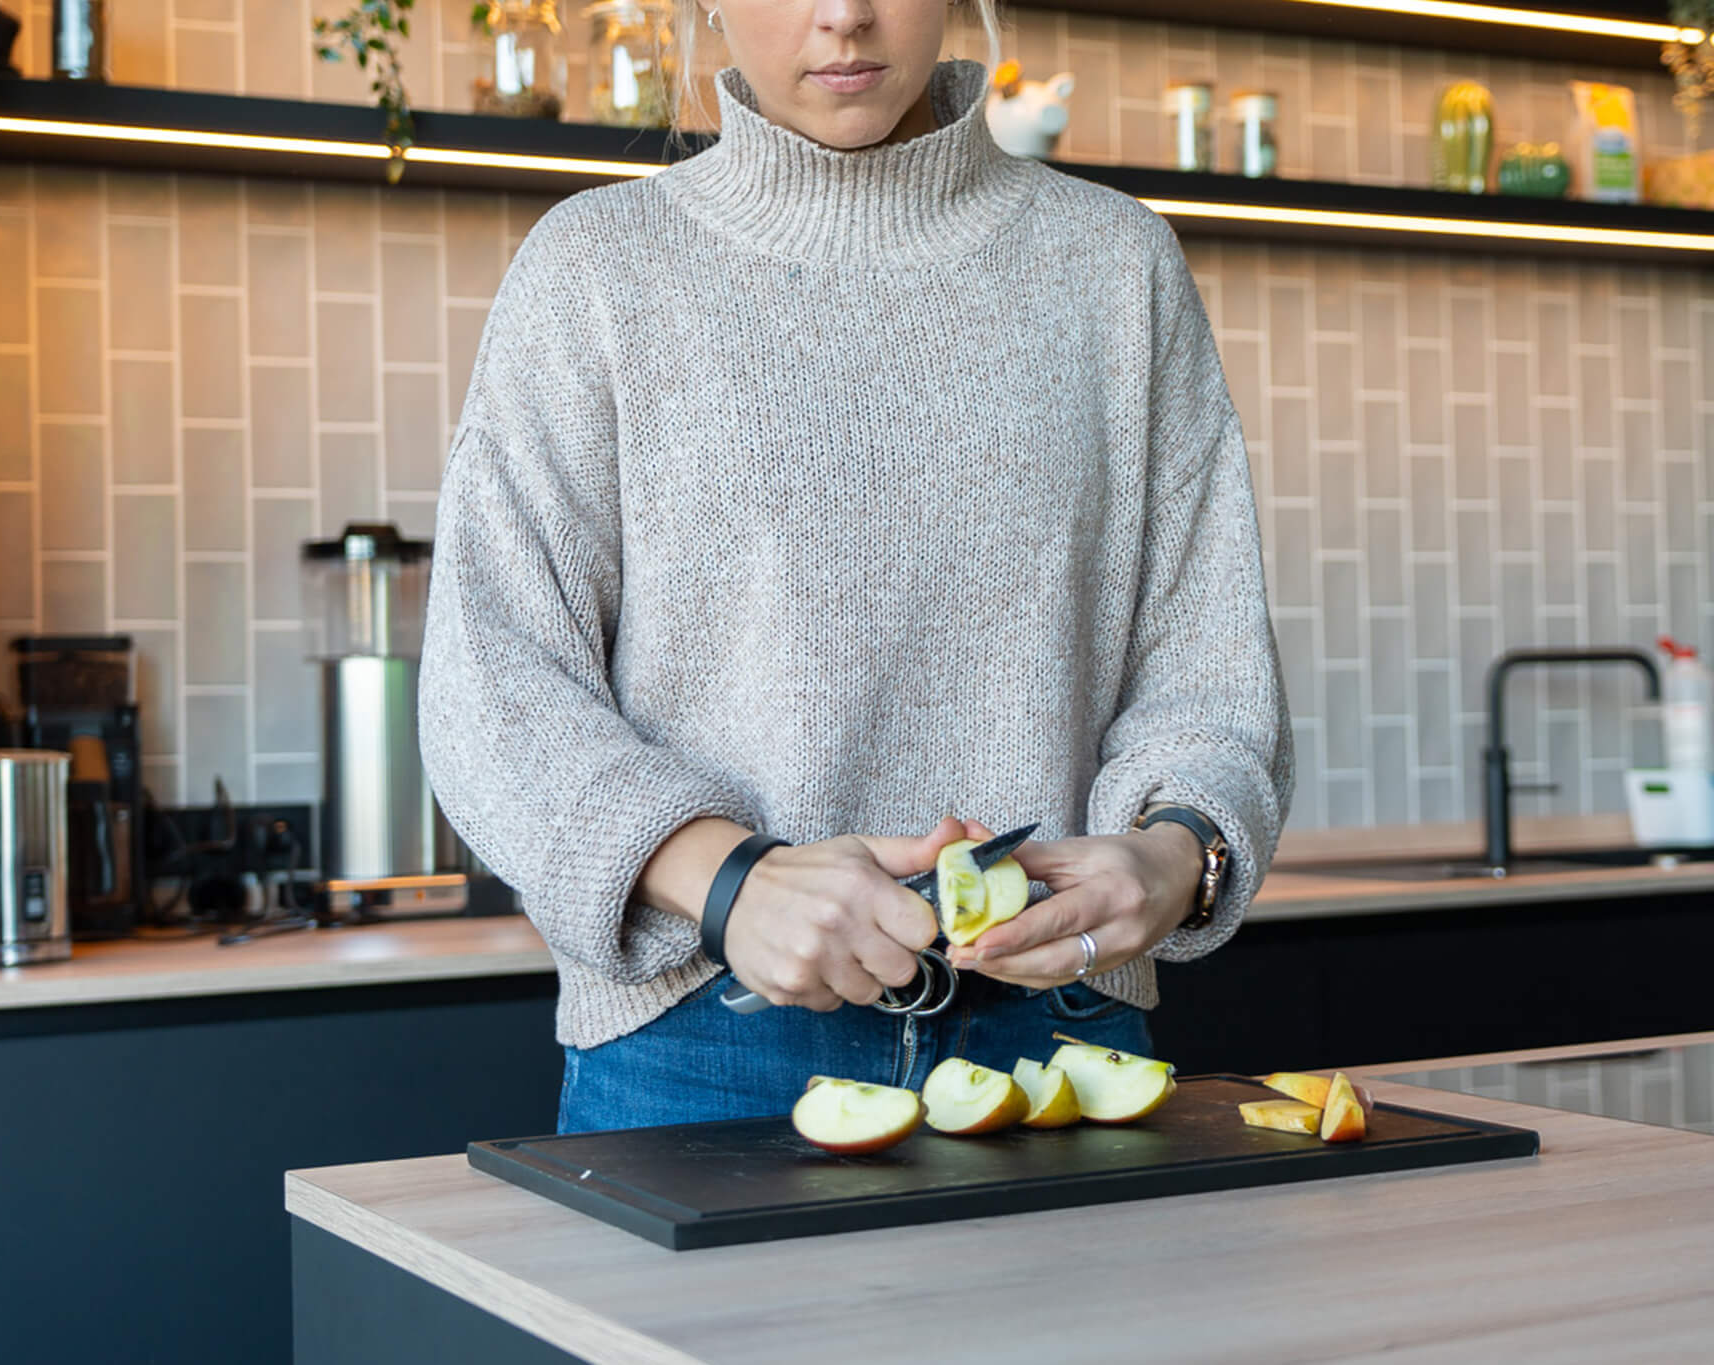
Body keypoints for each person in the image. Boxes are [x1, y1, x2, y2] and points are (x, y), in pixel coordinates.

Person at [418, 0, 1294, 1133]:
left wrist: (1179, 854)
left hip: (1061, 1030)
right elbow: (492, 684)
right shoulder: (594, 270)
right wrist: (727, 883)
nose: (844, 15)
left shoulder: (1114, 265)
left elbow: (1205, 668)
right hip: (699, 1040)